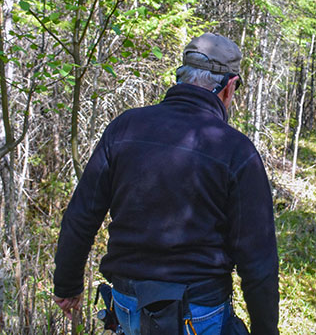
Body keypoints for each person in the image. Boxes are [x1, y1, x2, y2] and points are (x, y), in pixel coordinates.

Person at [53, 32, 279, 335]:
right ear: (228, 87)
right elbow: (258, 259)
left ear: (181, 78)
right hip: (199, 312)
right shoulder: (235, 149)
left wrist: (67, 285)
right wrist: (266, 329)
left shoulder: (124, 127)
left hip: (127, 305)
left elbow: (81, 215)